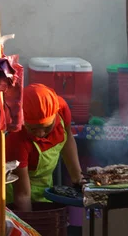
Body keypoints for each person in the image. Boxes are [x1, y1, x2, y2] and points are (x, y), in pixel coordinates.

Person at [6, 83, 84, 212]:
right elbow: (22, 195)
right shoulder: (16, 139)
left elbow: (68, 139)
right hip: (14, 195)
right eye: (33, 129)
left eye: (47, 127)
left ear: (56, 114)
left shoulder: (62, 108)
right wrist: (29, 225)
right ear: (22, 120)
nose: (41, 133)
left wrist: (77, 177)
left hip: (44, 186)